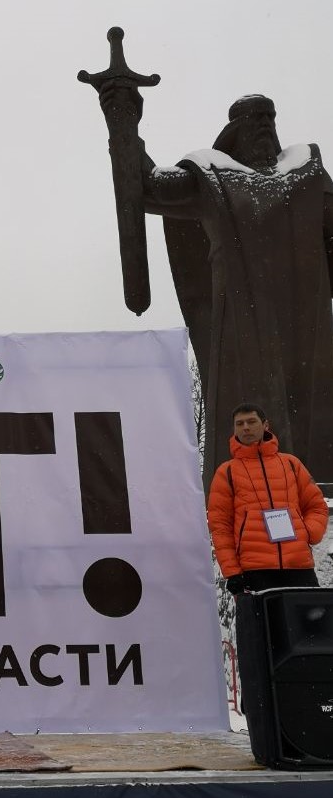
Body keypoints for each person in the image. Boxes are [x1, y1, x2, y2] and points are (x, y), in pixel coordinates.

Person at [99, 86, 333, 489]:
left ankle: (319, 482)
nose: (264, 126)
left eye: (269, 118)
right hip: (244, 309)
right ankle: (243, 484)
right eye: (254, 119)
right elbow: (147, 187)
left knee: (314, 392)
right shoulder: (211, 175)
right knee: (247, 393)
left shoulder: (307, 173)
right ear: (235, 129)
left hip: (304, 306)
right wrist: (124, 122)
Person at [207, 403, 328, 594]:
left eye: (251, 421)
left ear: (265, 425)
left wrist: (308, 532)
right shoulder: (226, 472)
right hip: (254, 570)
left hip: (299, 566)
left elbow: (317, 507)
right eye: (239, 423)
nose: (245, 427)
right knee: (263, 625)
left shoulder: (291, 464)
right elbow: (220, 526)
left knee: (307, 622)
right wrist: (232, 571)